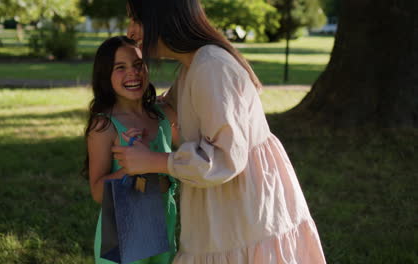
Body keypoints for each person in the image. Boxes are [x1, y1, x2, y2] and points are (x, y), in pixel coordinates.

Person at [111, 0, 327, 263]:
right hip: (225, 202)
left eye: (137, 20)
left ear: (163, 17)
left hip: (241, 210)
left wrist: (154, 161)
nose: (131, 31)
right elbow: (171, 109)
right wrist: (126, 109)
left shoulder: (211, 68)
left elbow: (225, 157)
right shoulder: (194, 65)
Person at [84, 36, 178, 264]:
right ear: (106, 75)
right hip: (124, 236)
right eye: (120, 68)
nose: (133, 73)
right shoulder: (105, 126)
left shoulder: (162, 114)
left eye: (138, 65)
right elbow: (97, 192)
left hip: (163, 227)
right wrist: (131, 167)